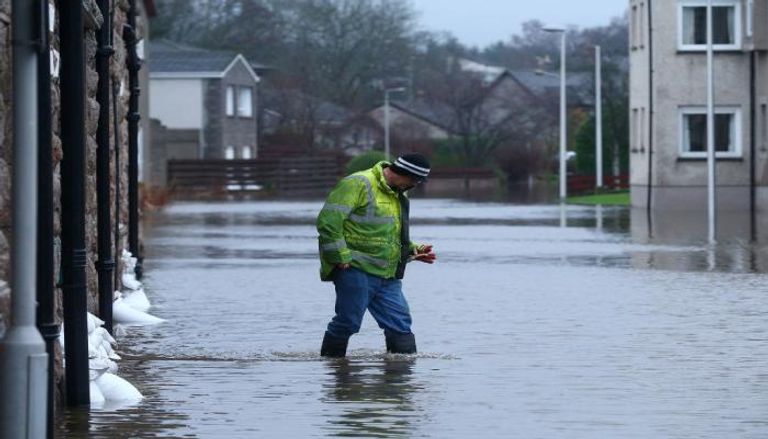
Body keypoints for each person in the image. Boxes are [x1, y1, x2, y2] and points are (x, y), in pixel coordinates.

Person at [316, 153, 437, 357]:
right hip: (354, 268)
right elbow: (328, 222)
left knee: (400, 324)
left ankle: (400, 380)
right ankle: (333, 370)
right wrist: (341, 256)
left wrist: (411, 250)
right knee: (348, 322)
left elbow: (387, 232)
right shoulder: (357, 184)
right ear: (405, 174)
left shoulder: (398, 193)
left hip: (387, 274)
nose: (415, 185)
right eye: (415, 180)